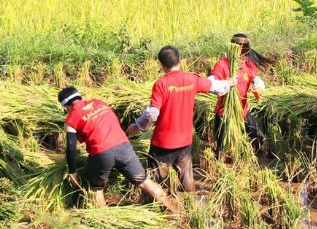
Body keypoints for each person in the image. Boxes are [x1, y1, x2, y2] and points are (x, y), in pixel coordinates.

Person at [126, 46, 235, 193]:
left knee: (155, 180)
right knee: (187, 180)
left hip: (163, 143)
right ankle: (191, 208)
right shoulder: (192, 79)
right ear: (180, 60)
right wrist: (229, 82)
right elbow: (216, 87)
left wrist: (138, 126)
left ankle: (155, 208)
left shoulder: (161, 84)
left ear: (162, 65)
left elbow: (152, 114)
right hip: (184, 141)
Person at [58, 86, 173, 211]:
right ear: (79, 97)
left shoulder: (70, 120)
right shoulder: (100, 103)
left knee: (96, 189)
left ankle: (103, 221)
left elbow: (71, 148)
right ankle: (174, 210)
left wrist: (73, 172)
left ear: (65, 107)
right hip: (124, 146)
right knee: (144, 181)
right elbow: (115, 121)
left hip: (101, 153)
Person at [210, 33, 274, 154]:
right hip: (224, 113)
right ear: (232, 48)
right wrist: (227, 83)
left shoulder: (248, 65)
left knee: (258, 138)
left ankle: (249, 161)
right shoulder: (222, 64)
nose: (241, 54)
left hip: (242, 111)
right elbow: (212, 83)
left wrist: (259, 88)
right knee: (223, 148)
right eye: (239, 48)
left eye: (244, 49)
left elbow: (256, 79)